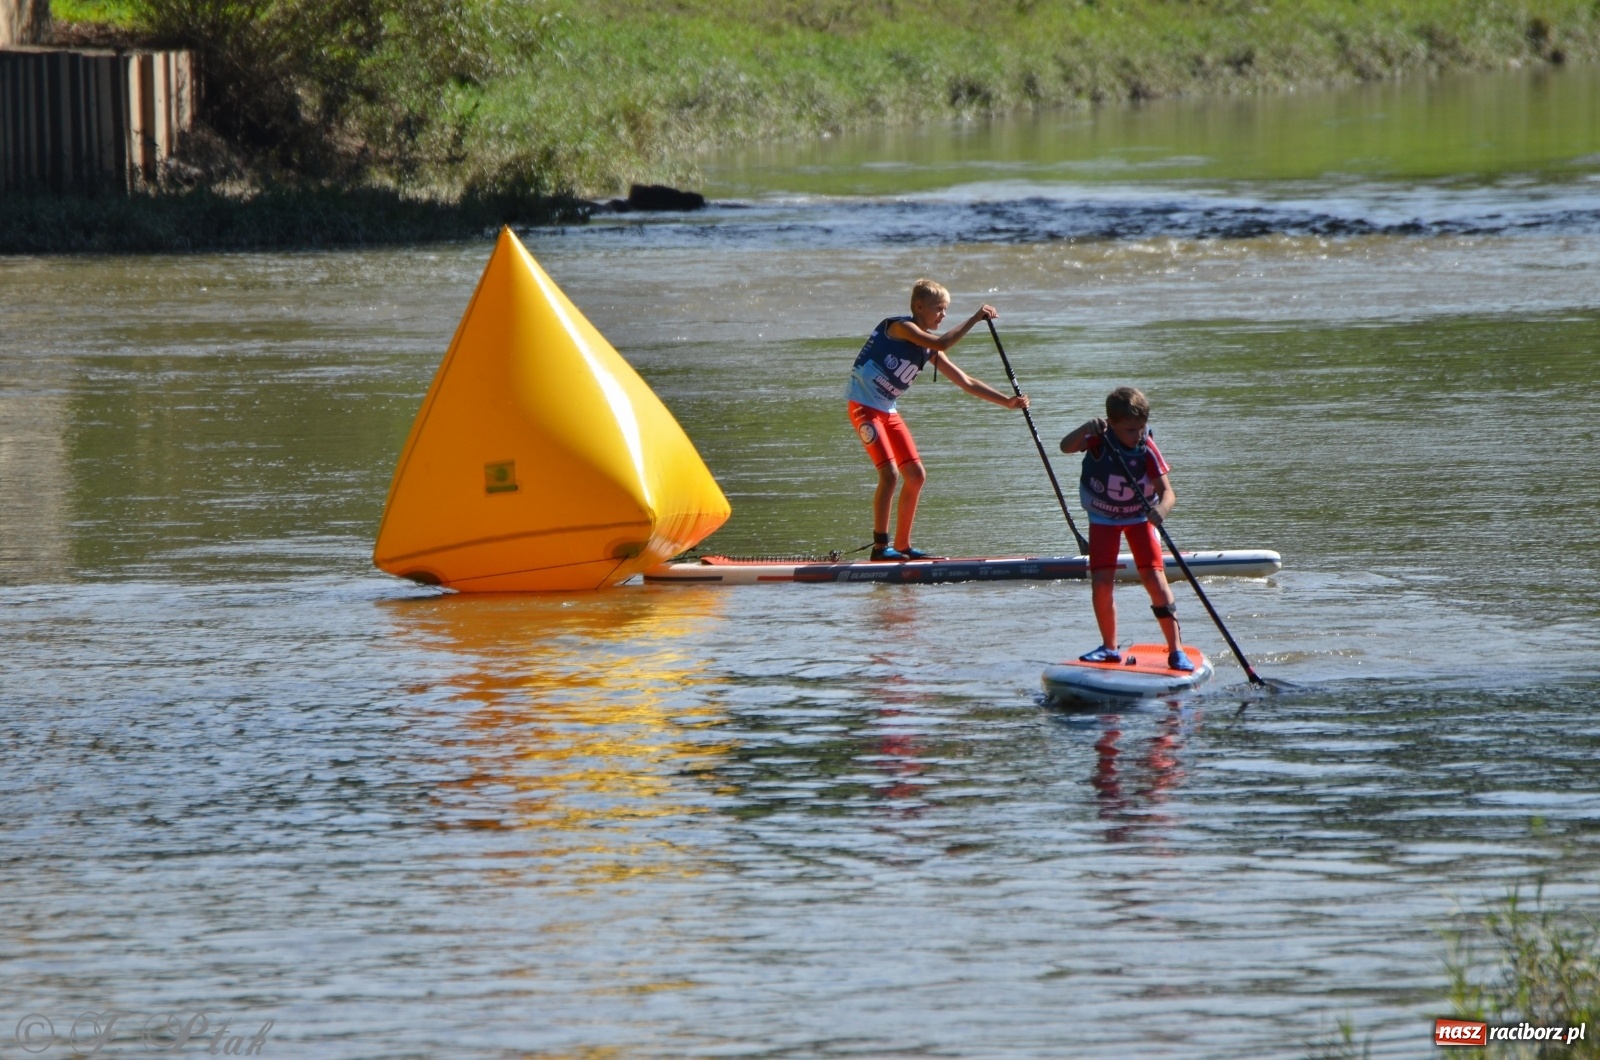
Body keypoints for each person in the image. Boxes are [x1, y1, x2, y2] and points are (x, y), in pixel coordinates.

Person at [845, 279, 1029, 561]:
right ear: (919, 307)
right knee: (890, 474)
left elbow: (966, 381)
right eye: (939, 309)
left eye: (946, 310)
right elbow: (943, 341)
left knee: (916, 476)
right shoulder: (899, 327)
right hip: (864, 406)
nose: (943, 316)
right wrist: (974, 318)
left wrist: (1006, 401)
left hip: (887, 409)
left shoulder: (927, 348)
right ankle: (881, 549)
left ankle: (903, 546)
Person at [1059, 386, 1193, 672]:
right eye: (1130, 430)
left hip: (1138, 518)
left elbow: (1168, 493)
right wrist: (1086, 427)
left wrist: (1162, 510)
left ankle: (1176, 650)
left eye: (1141, 428)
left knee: (1154, 581)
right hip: (1103, 519)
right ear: (1112, 424)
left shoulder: (1146, 446)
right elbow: (1065, 447)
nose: (1138, 435)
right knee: (1102, 583)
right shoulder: (1097, 439)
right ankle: (1109, 648)